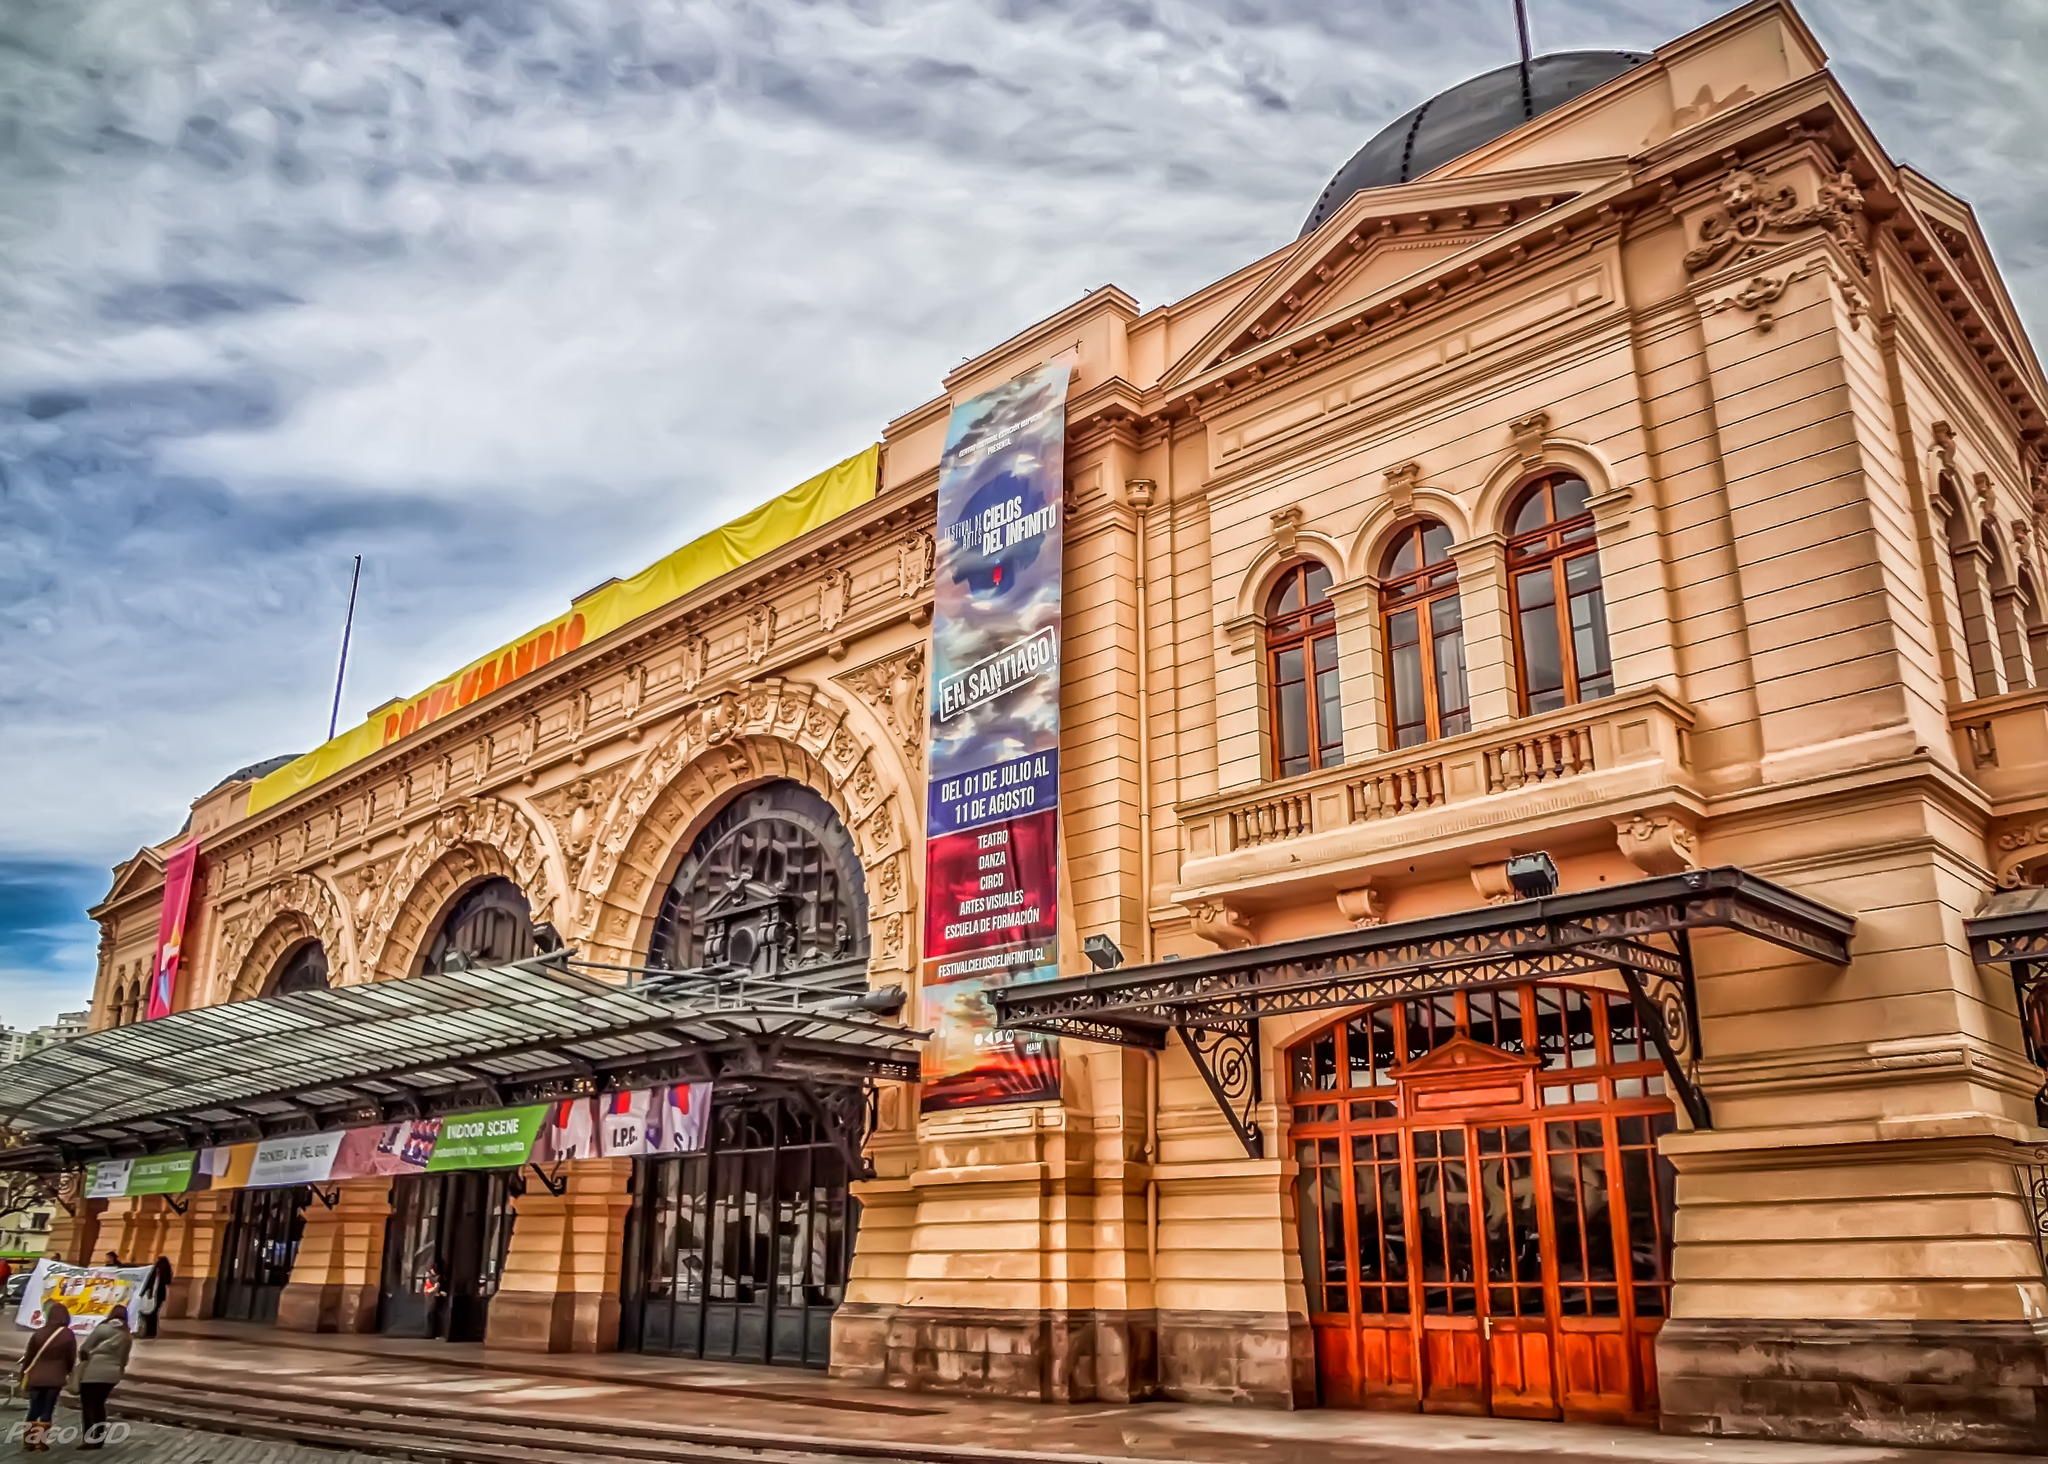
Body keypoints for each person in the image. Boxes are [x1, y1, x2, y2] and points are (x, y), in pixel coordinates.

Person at [16, 1302, 76, 1453]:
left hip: (36, 1376)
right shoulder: (67, 1334)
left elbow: (29, 1356)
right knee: (47, 1410)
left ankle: (28, 1441)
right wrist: (68, 1371)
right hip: (55, 1377)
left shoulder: (39, 1333)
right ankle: (40, 1443)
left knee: (34, 1408)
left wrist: (23, 1374)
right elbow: (71, 1357)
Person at [73, 1312, 131, 1451]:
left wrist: (84, 1362)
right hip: (112, 1374)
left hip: (93, 1372)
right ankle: (99, 1438)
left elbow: (85, 1348)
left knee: (88, 1406)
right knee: (99, 1405)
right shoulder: (127, 1335)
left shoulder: (102, 1329)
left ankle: (88, 1438)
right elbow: (124, 1359)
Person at [136, 1257, 172, 1339]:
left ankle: (148, 1332)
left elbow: (148, 1283)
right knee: (154, 1314)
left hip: (152, 1295)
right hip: (160, 1295)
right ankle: (152, 1332)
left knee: (148, 1314)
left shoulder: (155, 1270)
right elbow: (168, 1282)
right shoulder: (166, 1271)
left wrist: (141, 1293)